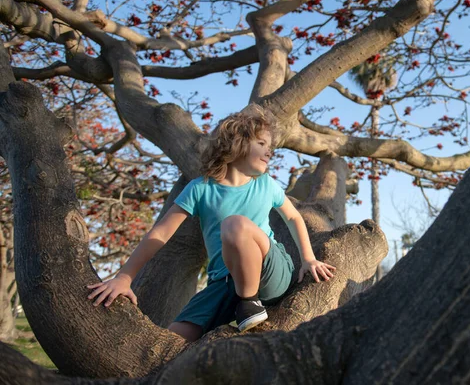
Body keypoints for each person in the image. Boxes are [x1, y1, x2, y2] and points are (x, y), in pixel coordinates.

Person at [87, 111, 336, 342]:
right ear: (235, 144)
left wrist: (308, 259)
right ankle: (242, 304)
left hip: (271, 273)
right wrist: (124, 277)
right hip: (224, 283)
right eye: (262, 144)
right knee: (173, 340)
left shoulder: (265, 184)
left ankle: (249, 304)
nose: (269, 151)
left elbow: (293, 217)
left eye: (270, 147)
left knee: (235, 224)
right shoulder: (200, 188)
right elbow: (161, 233)